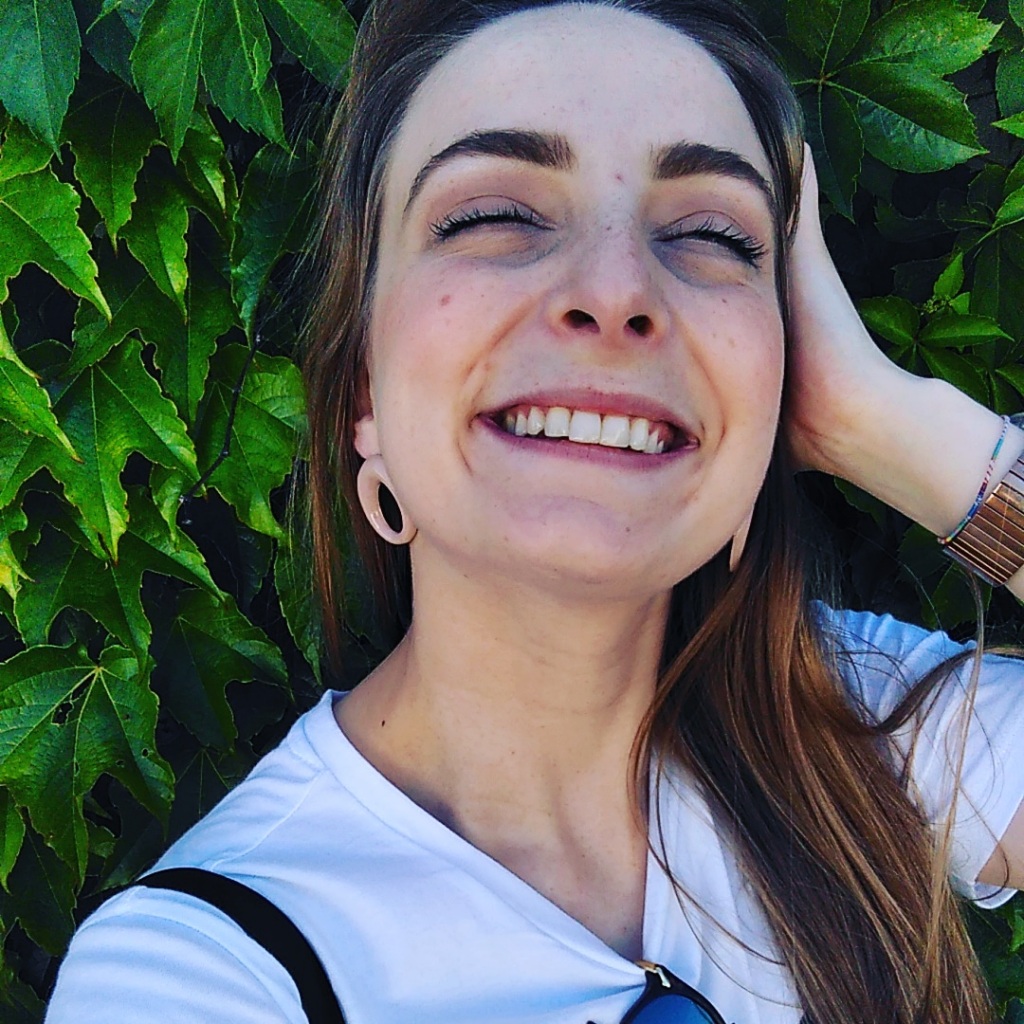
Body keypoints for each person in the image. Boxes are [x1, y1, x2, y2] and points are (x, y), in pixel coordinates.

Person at [45, 1, 1024, 1022]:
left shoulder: (850, 723)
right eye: (491, 216)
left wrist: (884, 425)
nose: (616, 287)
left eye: (712, 234)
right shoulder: (196, 976)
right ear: (364, 396)